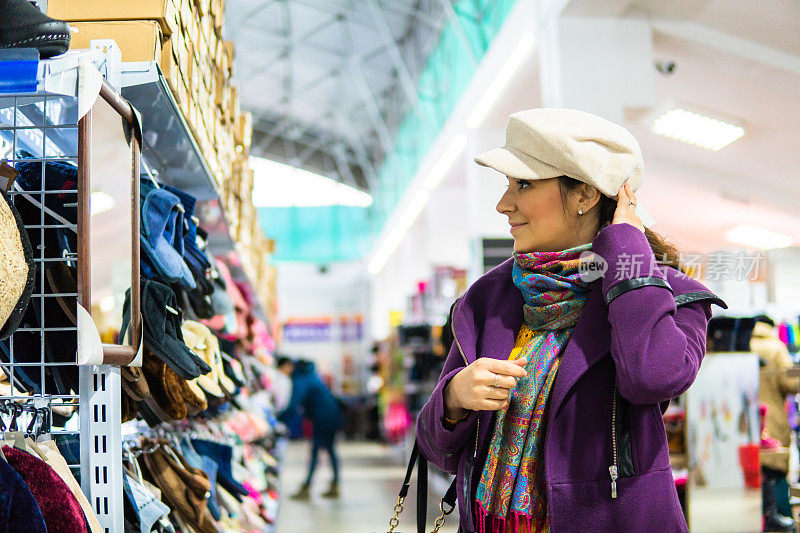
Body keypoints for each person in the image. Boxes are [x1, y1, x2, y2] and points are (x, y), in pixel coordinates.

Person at [416, 108, 727, 533]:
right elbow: (439, 448)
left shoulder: (669, 295)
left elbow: (651, 377)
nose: (503, 204)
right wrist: (453, 397)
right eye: (508, 184)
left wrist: (625, 247)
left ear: (584, 195)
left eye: (523, 184)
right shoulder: (489, 299)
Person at [751, 314, 799, 532]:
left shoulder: (741, 345)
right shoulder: (777, 348)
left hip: (744, 425)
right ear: (771, 327)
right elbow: (793, 381)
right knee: (776, 477)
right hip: (771, 422)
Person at [279, 358, 344, 500]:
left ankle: (306, 488)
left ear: (289, 366)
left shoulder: (301, 379)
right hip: (332, 414)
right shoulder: (311, 375)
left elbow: (294, 403)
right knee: (329, 449)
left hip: (323, 417)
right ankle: (334, 485)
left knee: (316, 450)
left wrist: (279, 418)